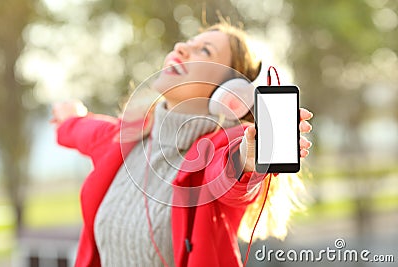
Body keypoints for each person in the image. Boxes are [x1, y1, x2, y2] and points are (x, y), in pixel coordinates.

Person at [51, 22, 313, 267]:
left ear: (230, 93)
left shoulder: (225, 146)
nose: (181, 48)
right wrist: (70, 116)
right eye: (187, 42)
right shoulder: (127, 137)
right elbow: (80, 128)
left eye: (204, 50)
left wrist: (245, 158)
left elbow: (227, 173)